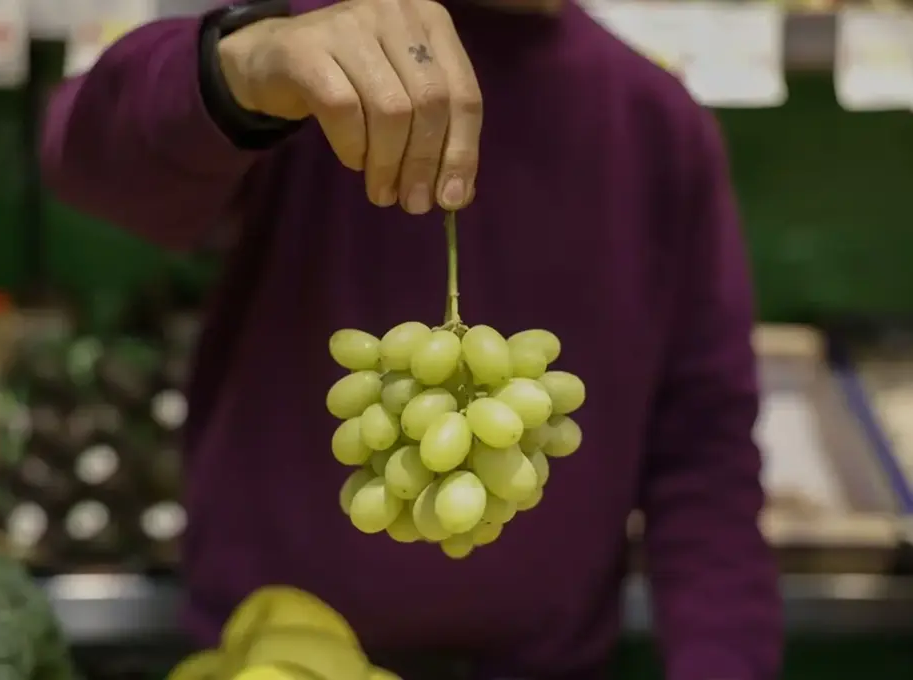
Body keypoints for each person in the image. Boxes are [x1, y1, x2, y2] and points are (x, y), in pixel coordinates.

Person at [40, 0, 783, 677]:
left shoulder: (658, 122)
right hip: (276, 657)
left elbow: (705, 446)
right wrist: (244, 62)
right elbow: (84, 159)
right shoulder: (316, 58)